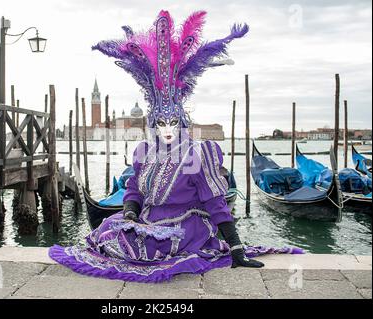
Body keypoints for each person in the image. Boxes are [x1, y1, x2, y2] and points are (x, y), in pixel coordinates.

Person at [49, 10, 303, 283]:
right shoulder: (145, 152)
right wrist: (132, 211)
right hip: (148, 221)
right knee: (109, 231)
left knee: (143, 248)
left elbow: (215, 202)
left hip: (185, 226)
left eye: (173, 123)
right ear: (153, 125)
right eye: (160, 123)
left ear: (182, 123)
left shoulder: (198, 153)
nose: (167, 130)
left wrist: (237, 248)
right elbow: (134, 188)